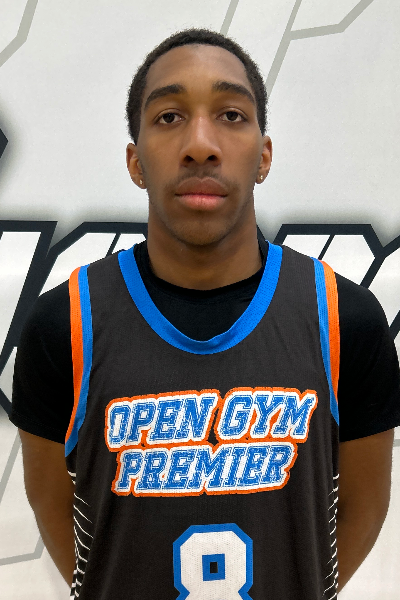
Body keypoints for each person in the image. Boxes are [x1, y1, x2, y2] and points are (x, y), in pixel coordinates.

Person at [10, 28, 400, 600]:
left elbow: (363, 511)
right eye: (169, 117)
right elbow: (59, 515)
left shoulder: (348, 320)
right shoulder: (62, 324)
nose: (200, 144)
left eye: (231, 116)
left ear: (264, 156)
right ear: (135, 161)